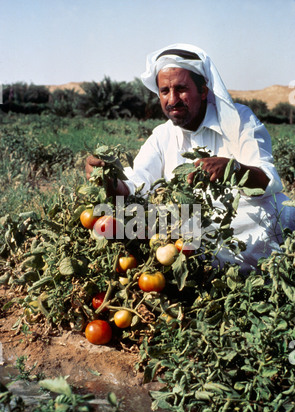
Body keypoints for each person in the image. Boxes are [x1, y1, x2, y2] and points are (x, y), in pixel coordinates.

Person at [85, 43, 295, 272]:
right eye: (164, 91)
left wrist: (233, 169)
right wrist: (110, 180)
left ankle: (261, 269)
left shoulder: (239, 121)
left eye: (181, 89)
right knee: (135, 218)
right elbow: (138, 183)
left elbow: (269, 180)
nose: (172, 99)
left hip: (242, 223)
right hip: (188, 228)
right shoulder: (162, 136)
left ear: (203, 90)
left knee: (271, 211)